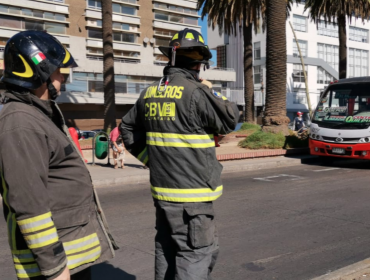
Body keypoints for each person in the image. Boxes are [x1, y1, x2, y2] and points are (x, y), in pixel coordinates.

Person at [120, 28, 239, 280]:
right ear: (198, 64)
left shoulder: (150, 92)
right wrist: (209, 88)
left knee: (166, 249)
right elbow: (230, 118)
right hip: (192, 197)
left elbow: (127, 127)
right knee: (196, 253)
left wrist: (151, 161)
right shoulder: (196, 91)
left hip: (163, 193)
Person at [0, 31, 118, 280]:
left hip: (69, 255)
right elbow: (29, 205)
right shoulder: (20, 121)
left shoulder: (38, 113)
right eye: (59, 72)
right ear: (39, 71)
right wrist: (55, 270)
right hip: (56, 268)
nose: (63, 78)